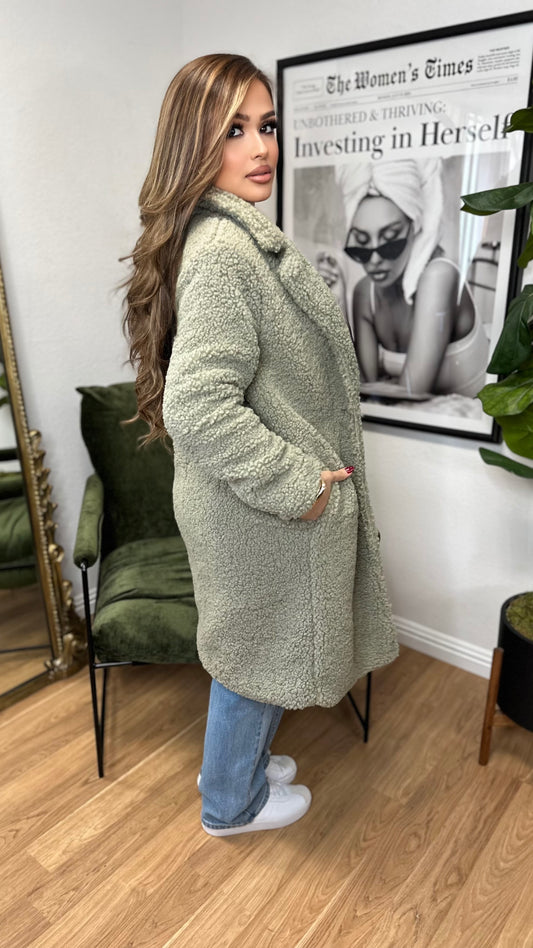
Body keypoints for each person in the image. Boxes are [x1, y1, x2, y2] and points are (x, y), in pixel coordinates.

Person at [123, 54, 398, 837]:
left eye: (267, 125)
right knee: (253, 657)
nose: (261, 146)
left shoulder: (228, 239)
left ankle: (236, 767)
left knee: (260, 646)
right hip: (258, 509)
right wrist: (299, 485)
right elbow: (198, 404)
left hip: (247, 510)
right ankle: (229, 804)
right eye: (234, 130)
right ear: (193, 144)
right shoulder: (223, 252)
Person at [318, 159, 488, 400]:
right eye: (362, 244)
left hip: (473, 421)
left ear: (416, 227)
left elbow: (412, 392)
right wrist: (337, 302)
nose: (374, 260)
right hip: (405, 421)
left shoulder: (439, 276)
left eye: (390, 240)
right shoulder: (365, 293)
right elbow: (361, 389)